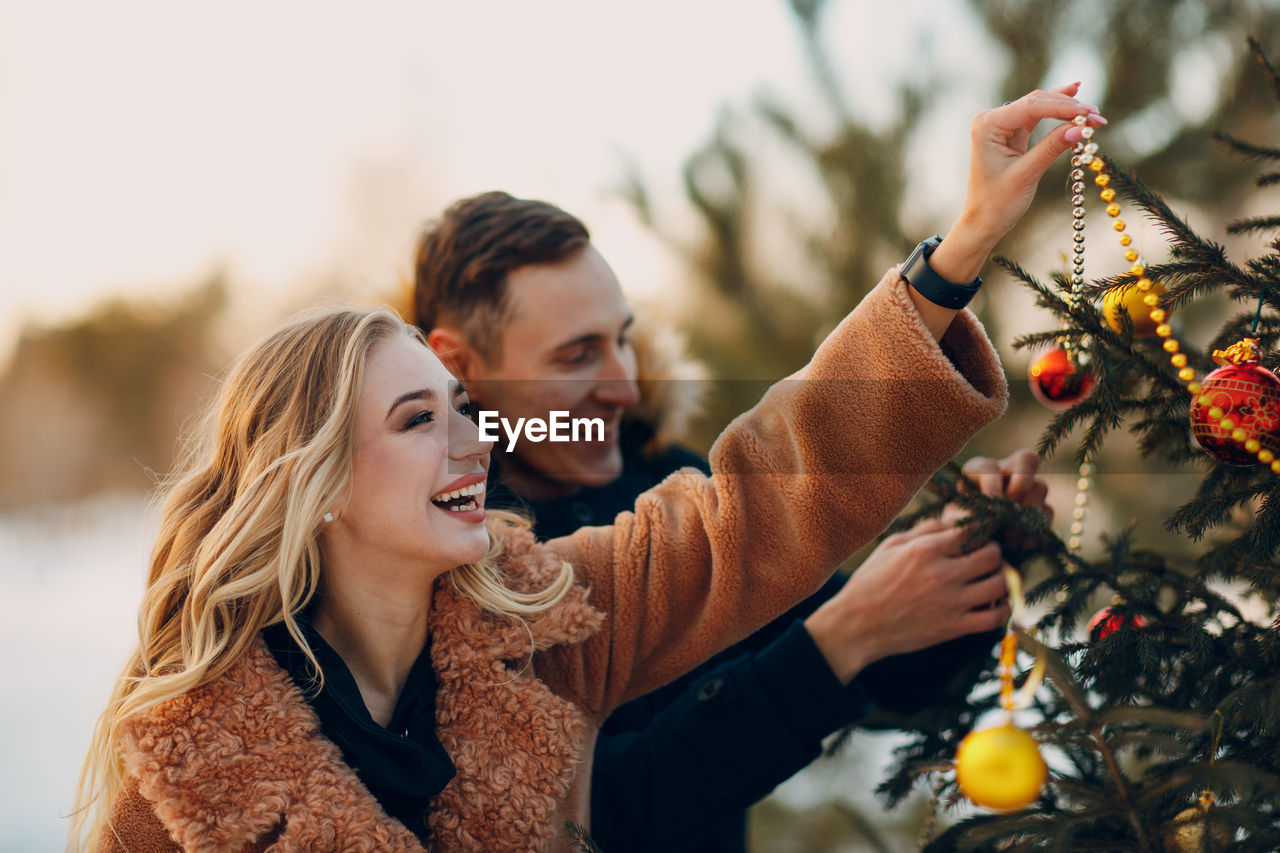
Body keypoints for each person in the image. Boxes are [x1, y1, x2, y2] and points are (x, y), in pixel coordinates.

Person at [71, 87, 1102, 853]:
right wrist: (837, 641)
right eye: (417, 418)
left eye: (460, 416)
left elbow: (766, 491)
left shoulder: (543, 618)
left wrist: (956, 251)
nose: (469, 441)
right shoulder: (192, 765)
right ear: (319, 482)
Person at [413, 150, 1061, 853]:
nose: (624, 385)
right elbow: (597, 816)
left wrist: (961, 567)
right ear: (457, 365)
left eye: (623, 340)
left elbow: (888, 680)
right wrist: (839, 640)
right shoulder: (436, 556)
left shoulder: (661, 481)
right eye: (577, 356)